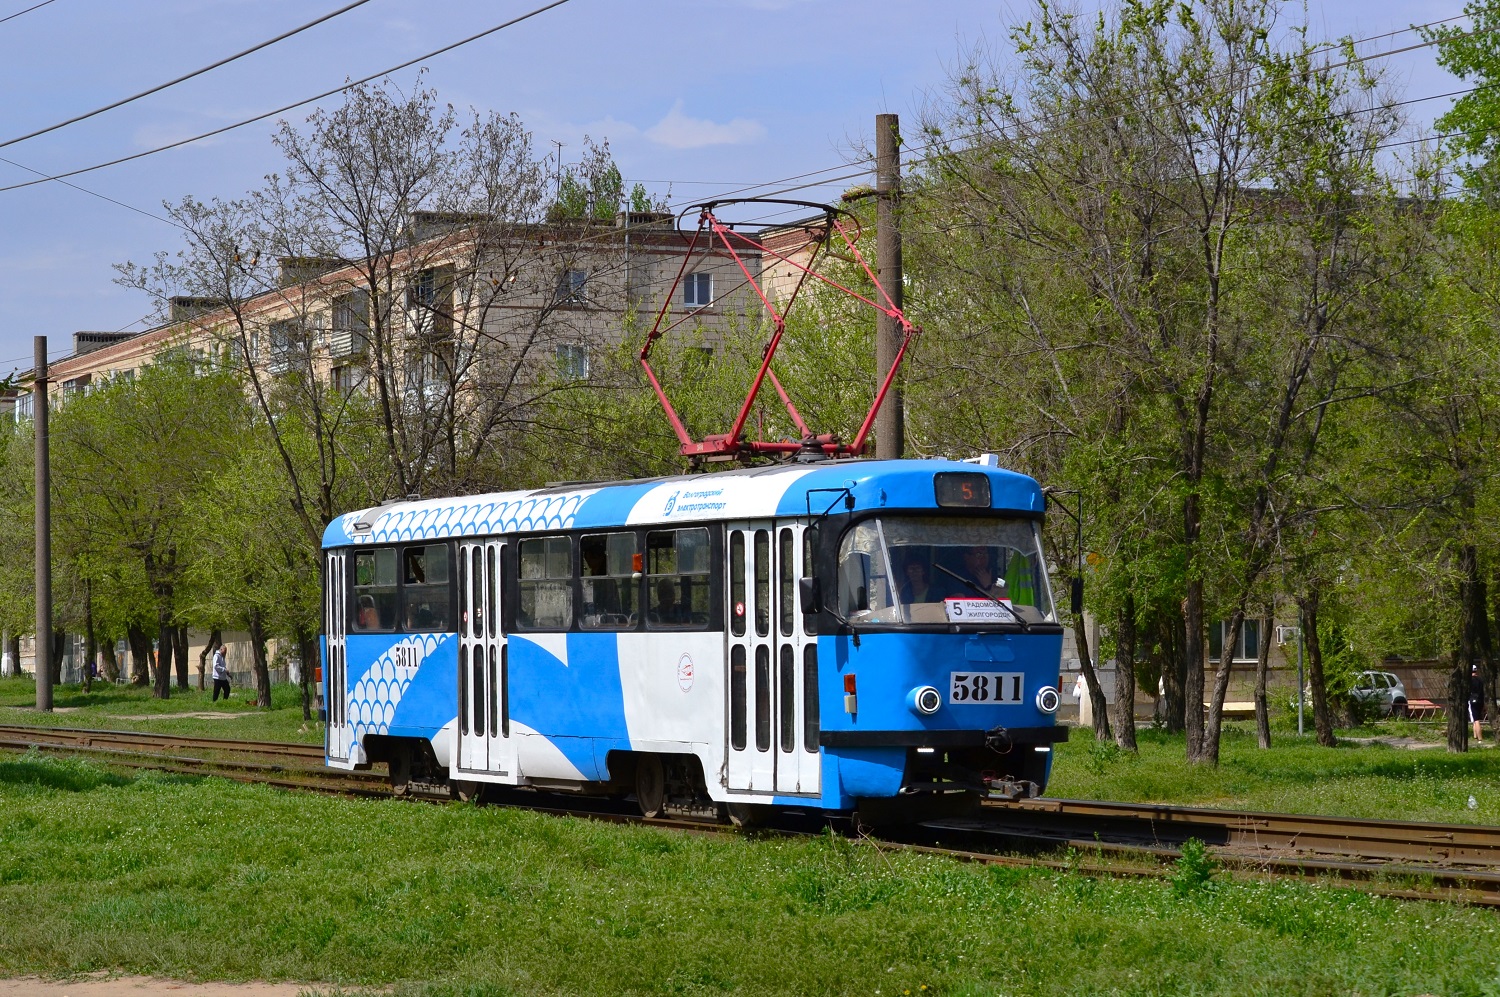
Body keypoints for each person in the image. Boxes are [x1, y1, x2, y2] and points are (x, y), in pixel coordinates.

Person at [1471, 663, 1486, 742]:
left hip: (1472, 700)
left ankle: (1480, 738)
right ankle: (1475, 736)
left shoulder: (1469, 680)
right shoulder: (1481, 680)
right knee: (1475, 718)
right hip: (1480, 700)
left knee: (1476, 720)